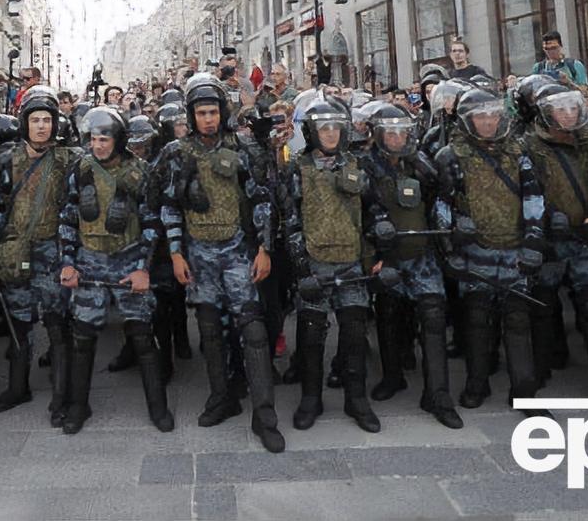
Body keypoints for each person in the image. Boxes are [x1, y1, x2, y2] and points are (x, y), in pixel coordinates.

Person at [159, 74, 284, 453]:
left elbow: (263, 201)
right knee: (209, 330)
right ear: (191, 116)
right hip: (198, 254)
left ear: (222, 113)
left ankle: (264, 416)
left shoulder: (242, 149)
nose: (208, 119)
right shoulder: (177, 153)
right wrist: (177, 253)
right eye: (201, 113)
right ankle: (222, 396)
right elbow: (169, 206)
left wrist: (263, 248)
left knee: (254, 331)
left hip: (236, 252)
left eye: (213, 112)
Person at [58, 107, 173, 433]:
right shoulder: (79, 169)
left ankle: (158, 407)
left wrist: (142, 269)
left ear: (118, 139)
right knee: (83, 338)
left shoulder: (141, 172)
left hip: (128, 260)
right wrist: (68, 262)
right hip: (89, 262)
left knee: (141, 335)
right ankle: (78, 406)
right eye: (93, 139)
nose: (98, 146)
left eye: (104, 139)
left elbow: (152, 224)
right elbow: (68, 218)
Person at [282, 99, 391, 435]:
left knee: (355, 332)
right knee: (312, 334)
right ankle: (311, 398)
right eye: (323, 128)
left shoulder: (357, 165)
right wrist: (302, 270)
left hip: (352, 263)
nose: (330, 134)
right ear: (312, 132)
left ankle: (356, 399)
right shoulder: (297, 168)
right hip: (315, 263)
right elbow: (290, 221)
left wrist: (383, 240)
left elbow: (376, 210)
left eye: (335, 127)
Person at [434, 88, 545, 410]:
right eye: (480, 117)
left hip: (514, 248)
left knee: (517, 318)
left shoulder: (518, 152)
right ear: (468, 120)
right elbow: (443, 205)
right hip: (475, 250)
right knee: (478, 318)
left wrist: (534, 239)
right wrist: (450, 245)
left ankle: (524, 389)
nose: (487, 122)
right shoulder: (451, 156)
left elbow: (533, 197)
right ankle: (477, 382)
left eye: (492, 116)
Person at [363, 105, 462, 429]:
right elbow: (358, 213)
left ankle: (438, 393)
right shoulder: (364, 166)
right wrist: (372, 254)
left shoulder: (421, 163)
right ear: (378, 135)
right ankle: (392, 377)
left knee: (433, 316)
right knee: (388, 314)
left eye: (401, 131)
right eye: (389, 132)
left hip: (421, 254)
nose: (396, 138)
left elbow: (439, 201)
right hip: (386, 256)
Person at [0, 87, 80, 425]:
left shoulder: (69, 159)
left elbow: (75, 208)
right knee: (18, 322)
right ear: (24, 123)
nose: (41, 126)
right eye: (35, 120)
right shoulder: (4, 160)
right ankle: (17, 386)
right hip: (16, 251)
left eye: (47, 120)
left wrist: (70, 256)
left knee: (57, 323)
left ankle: (61, 395)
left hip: (54, 250)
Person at [522, 83, 588, 401]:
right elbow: (526, 190)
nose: (567, 114)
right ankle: (541, 366)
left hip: (584, 235)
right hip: (549, 235)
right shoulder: (529, 145)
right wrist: (548, 216)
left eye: (572, 108)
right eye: (560, 109)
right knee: (542, 302)